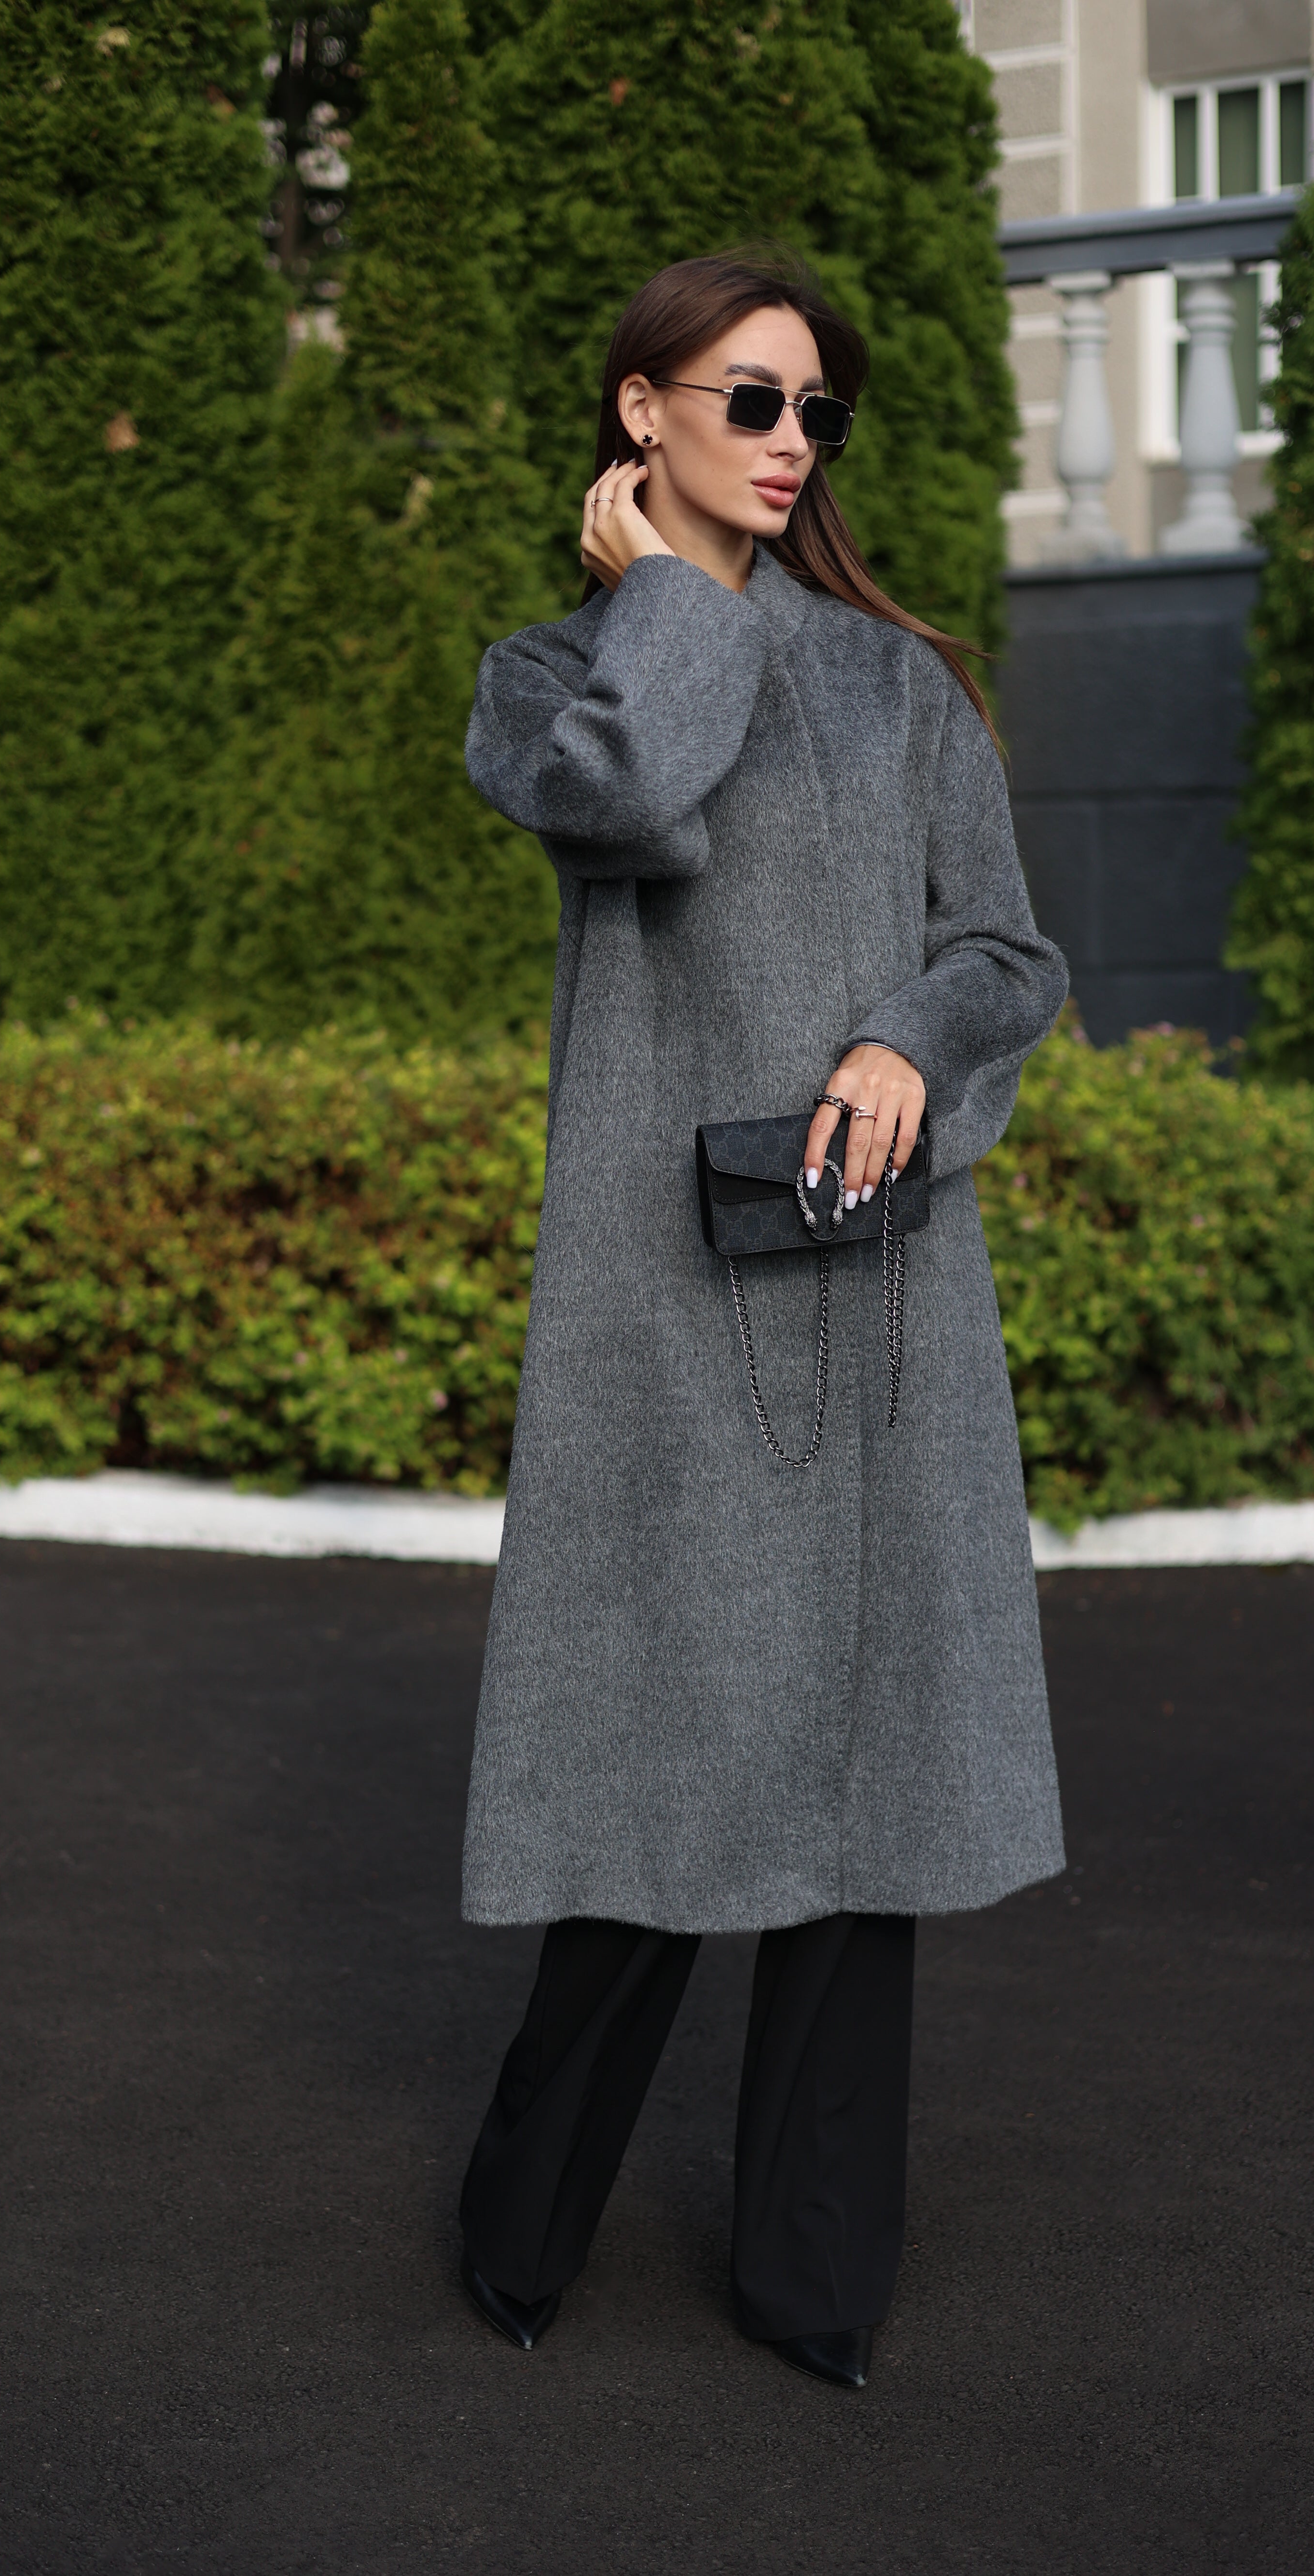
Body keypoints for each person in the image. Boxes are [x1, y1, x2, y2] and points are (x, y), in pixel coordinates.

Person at [455, 249, 1069, 2391]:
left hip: (881, 1292)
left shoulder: (904, 688)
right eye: (747, 396)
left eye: (815, 407)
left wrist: (913, 1038)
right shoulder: (555, 671)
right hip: (659, 1302)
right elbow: (624, 799)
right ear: (644, 416)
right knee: (648, 1783)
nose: (791, 435)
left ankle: (816, 2282)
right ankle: (524, 2220)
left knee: (859, 1786)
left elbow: (1006, 950)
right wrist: (676, 607)